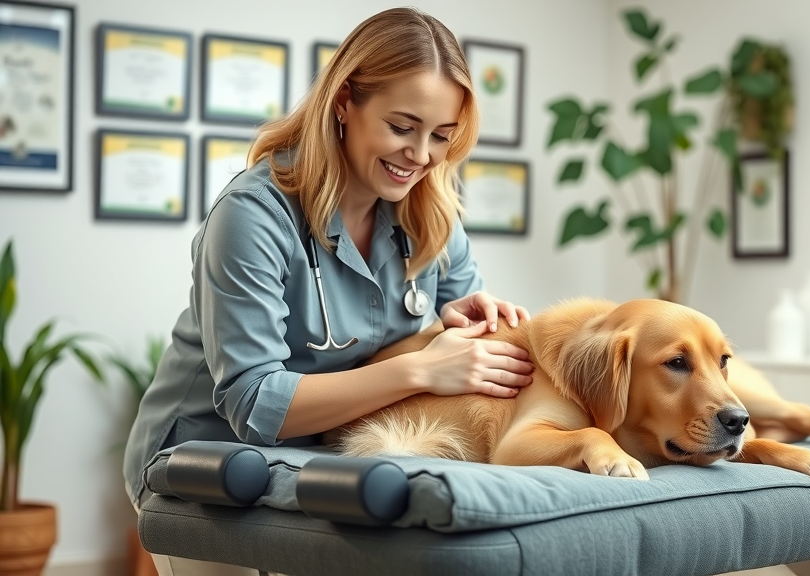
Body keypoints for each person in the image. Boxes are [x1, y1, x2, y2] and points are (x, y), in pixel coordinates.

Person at [123, 7, 534, 575]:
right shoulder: (253, 215)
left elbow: (461, 339)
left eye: (441, 136)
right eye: (402, 127)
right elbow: (255, 403)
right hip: (205, 465)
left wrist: (462, 318)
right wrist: (420, 369)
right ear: (344, 101)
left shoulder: (431, 215)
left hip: (322, 464)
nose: (421, 156)